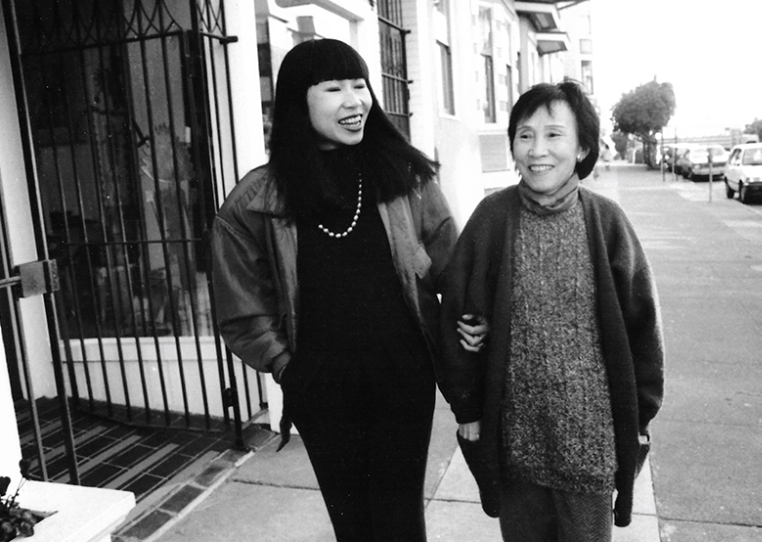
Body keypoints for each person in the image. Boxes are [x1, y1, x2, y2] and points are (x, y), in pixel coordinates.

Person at [211, 39, 470, 542]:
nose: (355, 100)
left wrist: (469, 320)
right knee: (353, 526)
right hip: (321, 386)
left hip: (402, 375)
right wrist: (287, 367)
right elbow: (241, 308)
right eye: (334, 88)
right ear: (297, 101)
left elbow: (452, 269)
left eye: (359, 84)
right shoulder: (254, 201)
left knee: (399, 524)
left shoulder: (404, 177)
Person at [436, 80, 665, 542]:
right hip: (515, 439)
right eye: (525, 135)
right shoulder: (492, 218)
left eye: (554, 135)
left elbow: (644, 328)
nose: (537, 149)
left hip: (591, 443)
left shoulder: (607, 222)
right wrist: (467, 406)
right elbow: (457, 313)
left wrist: (640, 418)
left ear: (582, 147)